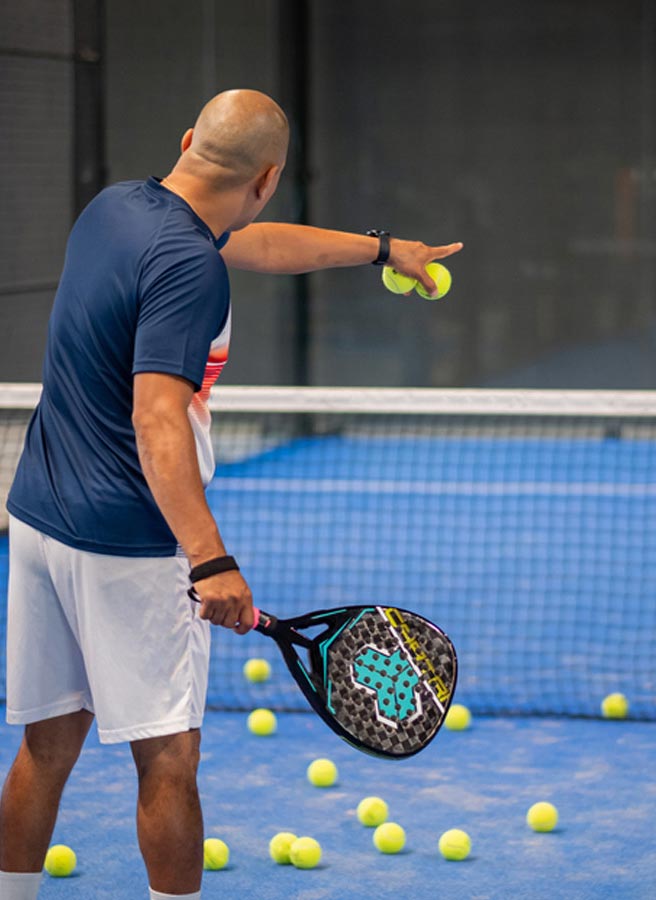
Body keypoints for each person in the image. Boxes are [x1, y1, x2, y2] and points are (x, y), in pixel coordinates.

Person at [0, 89, 462, 900]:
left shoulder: (114, 210)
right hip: (130, 542)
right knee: (170, 763)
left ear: (188, 143)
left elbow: (257, 243)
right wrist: (210, 559)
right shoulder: (191, 270)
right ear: (269, 177)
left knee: (46, 745)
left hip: (39, 521)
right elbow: (157, 419)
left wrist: (384, 248)